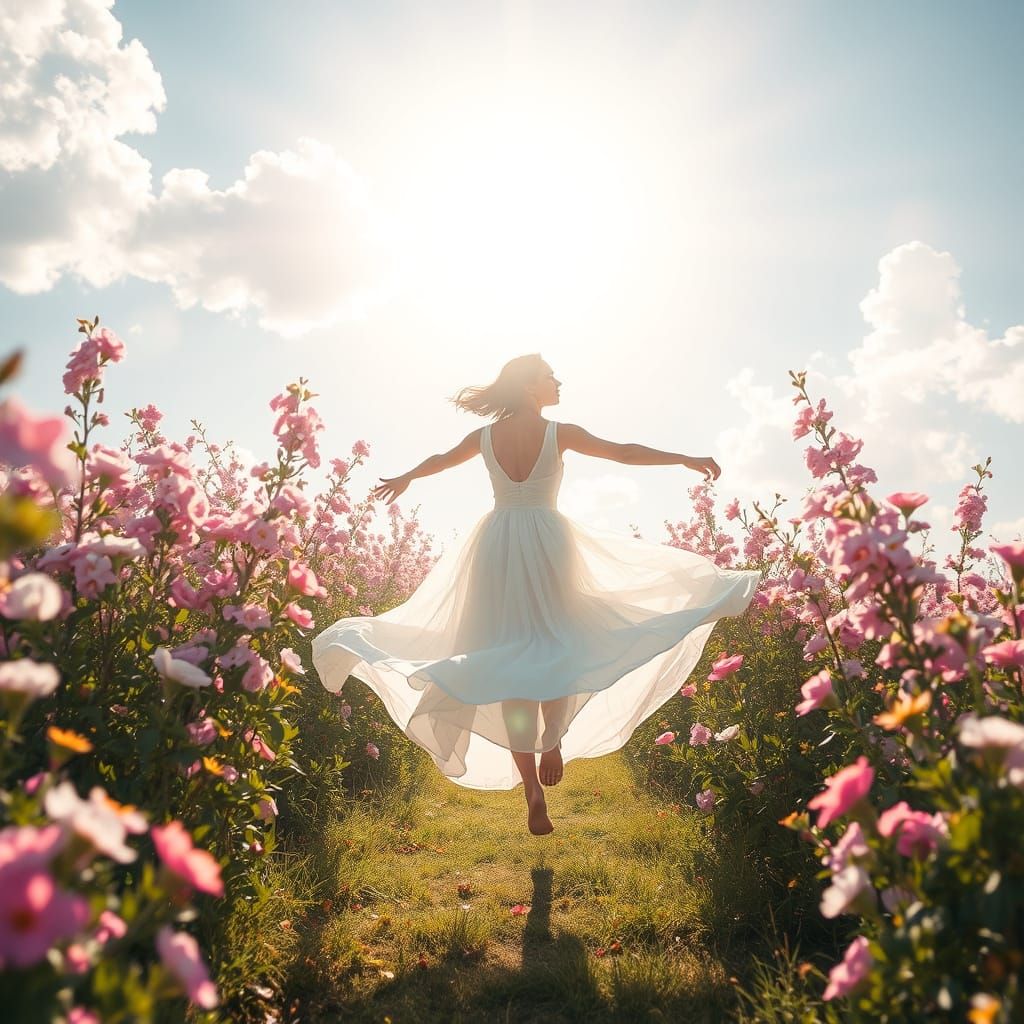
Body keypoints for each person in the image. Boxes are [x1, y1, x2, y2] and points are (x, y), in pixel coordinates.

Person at [312, 355, 759, 836]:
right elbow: (623, 453)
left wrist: (406, 478)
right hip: (548, 542)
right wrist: (684, 458)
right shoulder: (558, 433)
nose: (558, 381)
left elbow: (441, 461)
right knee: (559, 642)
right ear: (529, 387)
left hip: (497, 545)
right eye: (549, 376)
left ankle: (531, 785)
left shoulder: (485, 437)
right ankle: (553, 738)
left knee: (507, 660)